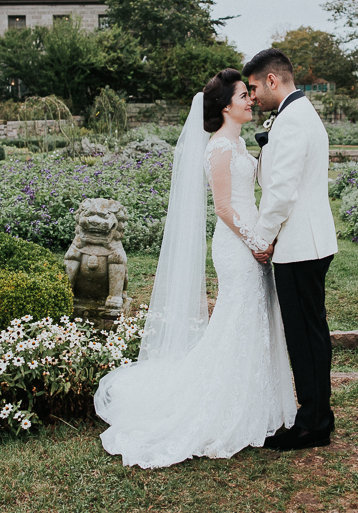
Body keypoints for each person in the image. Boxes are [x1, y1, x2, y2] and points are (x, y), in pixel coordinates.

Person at [93, 69, 296, 468]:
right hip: (237, 246)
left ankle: (258, 400)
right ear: (225, 106)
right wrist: (257, 243)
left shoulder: (237, 144)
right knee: (238, 317)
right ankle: (222, 405)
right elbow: (223, 207)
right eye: (243, 95)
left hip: (253, 238)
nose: (250, 100)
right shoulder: (219, 148)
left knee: (255, 318)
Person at [243, 48, 339, 452]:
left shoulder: (294, 120)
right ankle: (317, 414)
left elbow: (281, 192)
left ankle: (313, 423)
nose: (251, 98)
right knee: (309, 331)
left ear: (271, 80)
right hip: (307, 241)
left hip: (301, 245)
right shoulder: (297, 115)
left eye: (253, 88)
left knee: (305, 335)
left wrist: (262, 239)